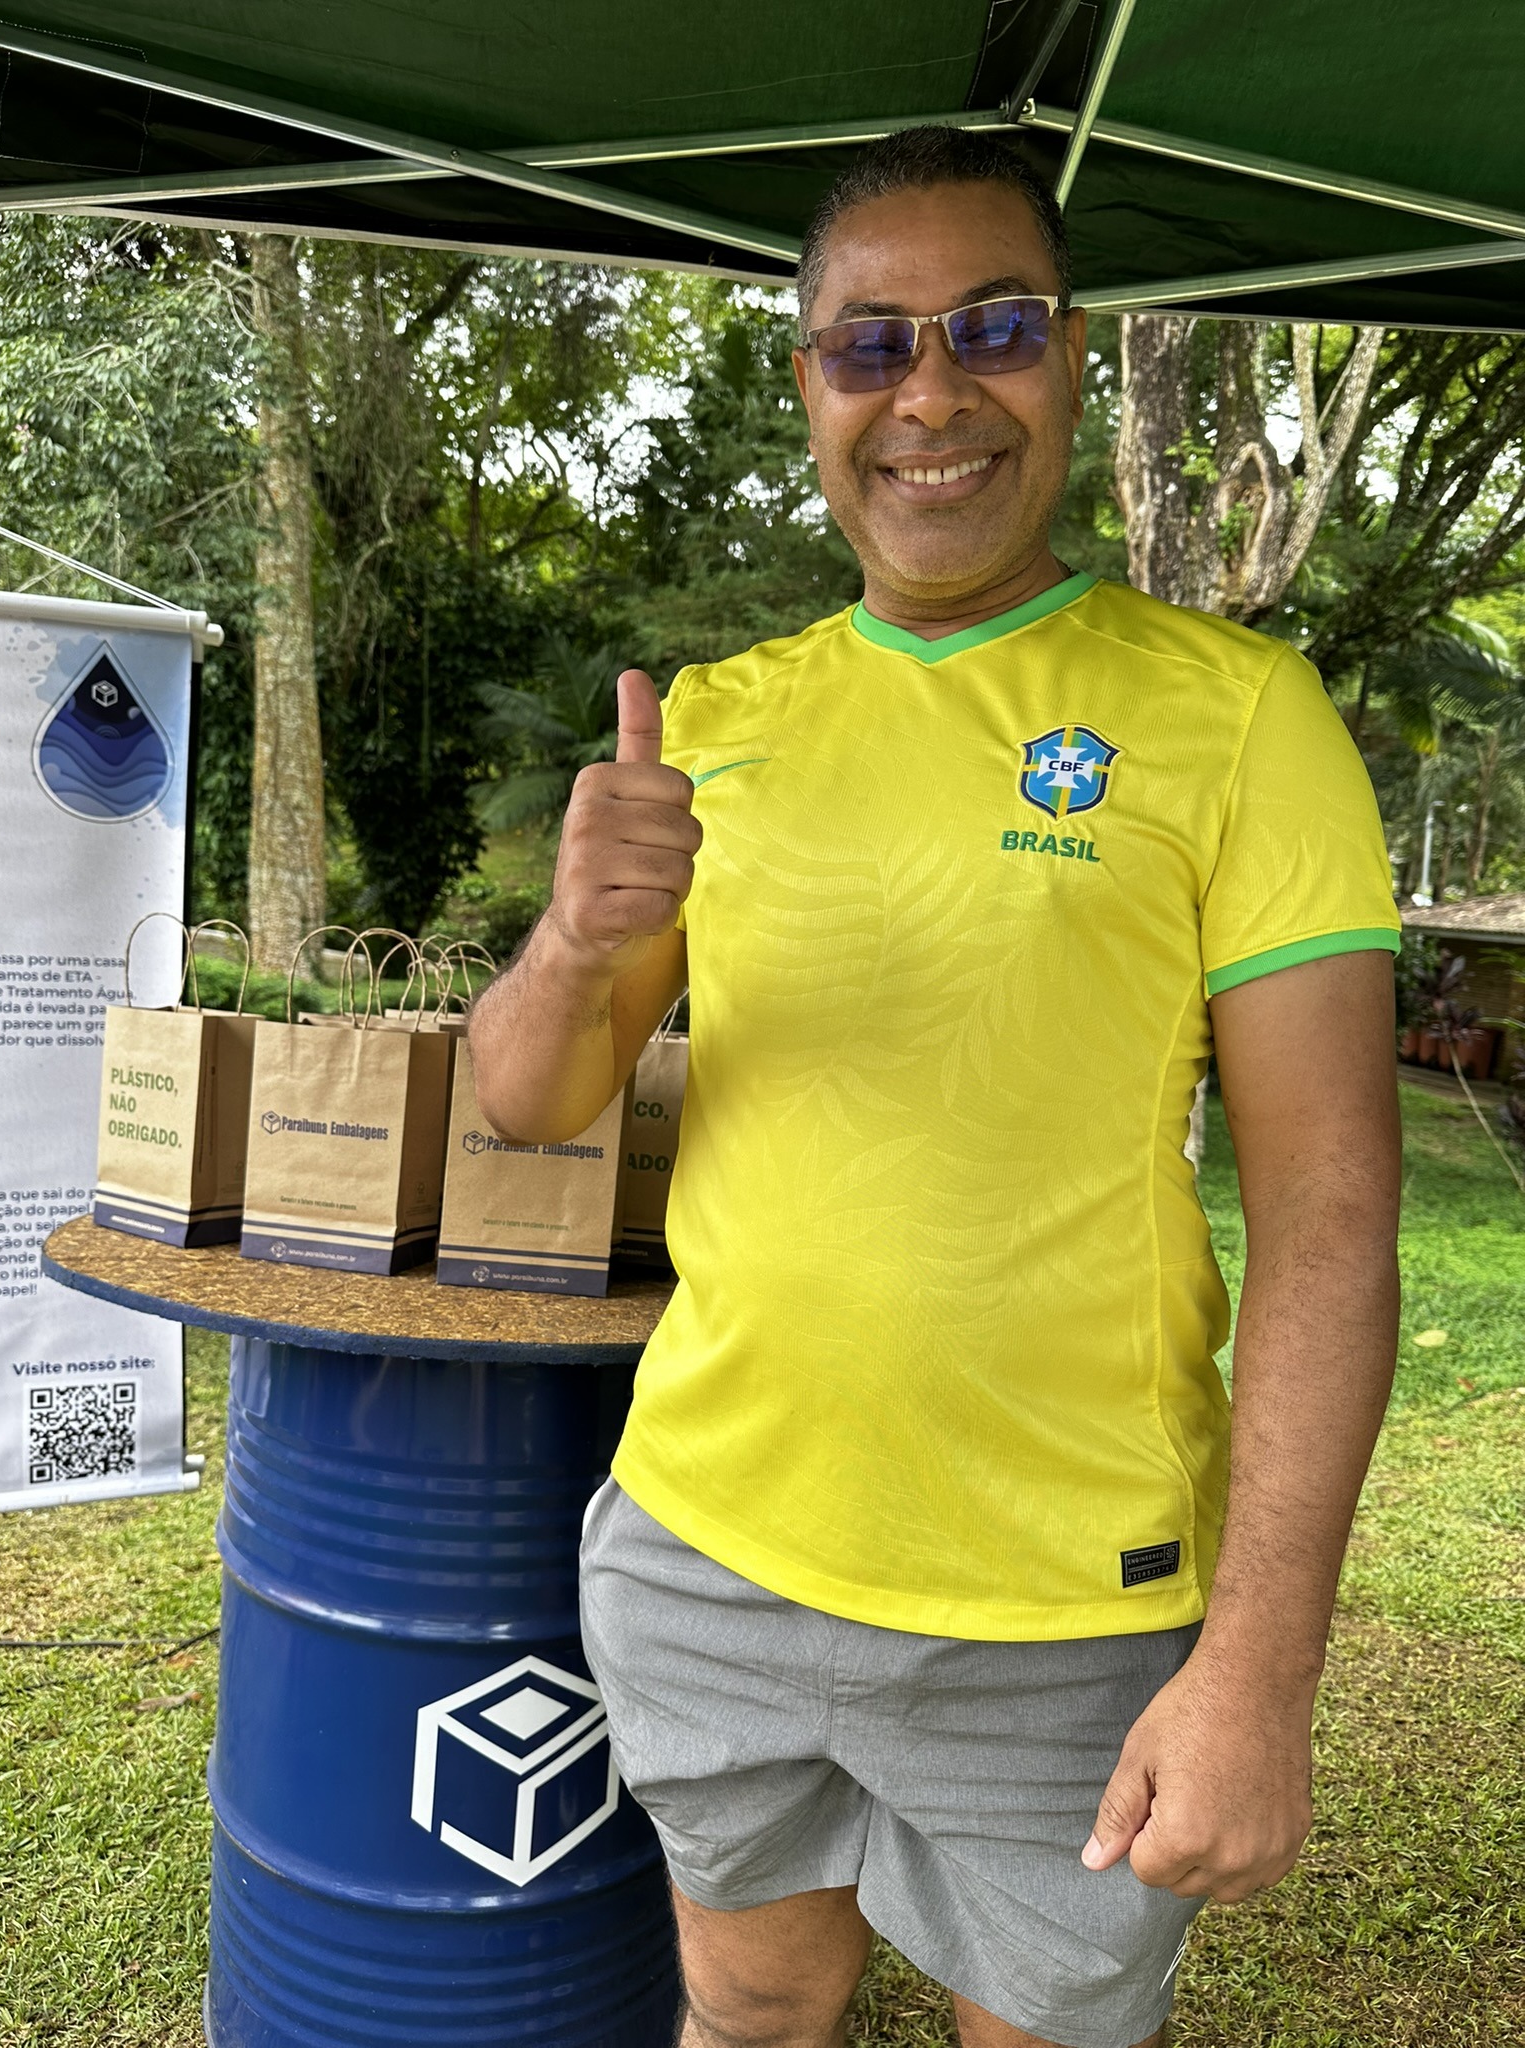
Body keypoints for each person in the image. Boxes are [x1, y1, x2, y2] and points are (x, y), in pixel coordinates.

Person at [468, 126, 1402, 2048]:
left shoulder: (1237, 716)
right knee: (747, 2009)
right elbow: (523, 1107)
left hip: (1067, 1603)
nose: (932, 393)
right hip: (709, 1550)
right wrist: (572, 943)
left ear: (1072, 353)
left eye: (992, 325)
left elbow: (1332, 1217)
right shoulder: (719, 723)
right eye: (868, 343)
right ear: (809, 386)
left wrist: (1260, 1671)